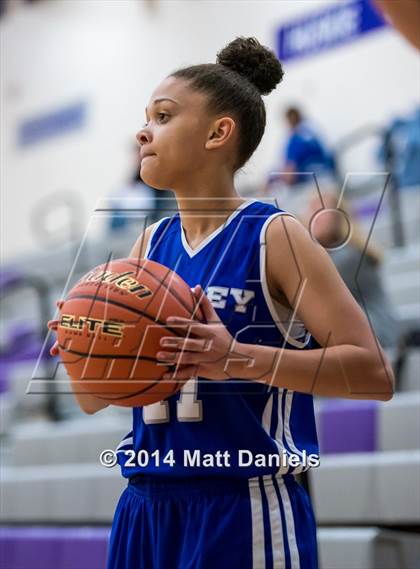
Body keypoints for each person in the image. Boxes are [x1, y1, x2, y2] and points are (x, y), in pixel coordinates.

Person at [48, 37, 394, 569]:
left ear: (218, 132)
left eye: (162, 116)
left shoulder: (274, 235)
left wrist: (235, 359)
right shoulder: (150, 244)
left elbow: (373, 373)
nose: (143, 132)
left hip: (243, 507)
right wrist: (81, 346)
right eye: (145, 117)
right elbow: (95, 400)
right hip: (144, 508)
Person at [304, 192, 400, 351]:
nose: (315, 216)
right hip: (359, 335)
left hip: (376, 335)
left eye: (322, 211)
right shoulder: (330, 254)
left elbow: (308, 290)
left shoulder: (350, 256)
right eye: (311, 209)